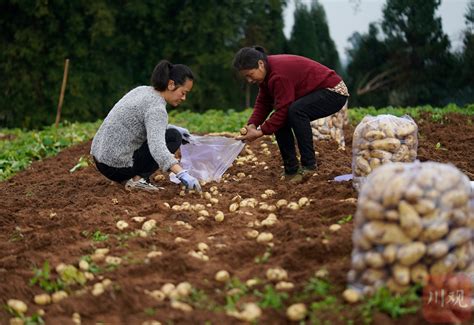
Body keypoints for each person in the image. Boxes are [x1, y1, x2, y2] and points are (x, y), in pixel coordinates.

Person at [233, 46, 349, 183]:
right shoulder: (266, 73)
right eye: (246, 77)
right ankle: (291, 170)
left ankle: (309, 166)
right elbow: (264, 102)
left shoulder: (278, 75)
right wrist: (252, 124)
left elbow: (283, 109)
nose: (249, 80)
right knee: (281, 120)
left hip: (334, 91)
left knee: (295, 111)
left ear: (260, 64)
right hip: (317, 92)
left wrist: (260, 132)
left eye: (250, 75)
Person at [91, 60, 201, 192]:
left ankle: (129, 177)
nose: (184, 98)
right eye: (183, 93)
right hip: (117, 167)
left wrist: (168, 126)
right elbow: (157, 148)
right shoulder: (157, 108)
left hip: (100, 159)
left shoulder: (142, 90)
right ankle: (137, 180)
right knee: (173, 137)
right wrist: (181, 173)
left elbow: (143, 123)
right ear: (171, 84)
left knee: (171, 132)